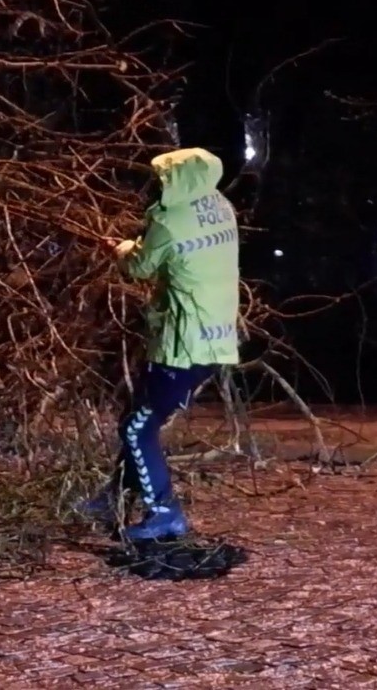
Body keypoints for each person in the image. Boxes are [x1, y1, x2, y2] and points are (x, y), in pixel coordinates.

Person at [79, 147, 241, 540]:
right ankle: (113, 499)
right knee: (141, 419)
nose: (156, 185)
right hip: (215, 341)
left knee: (137, 429)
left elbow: (140, 267)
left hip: (181, 344)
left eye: (163, 178)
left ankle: (164, 512)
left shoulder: (169, 221)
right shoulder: (220, 208)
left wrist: (120, 247)